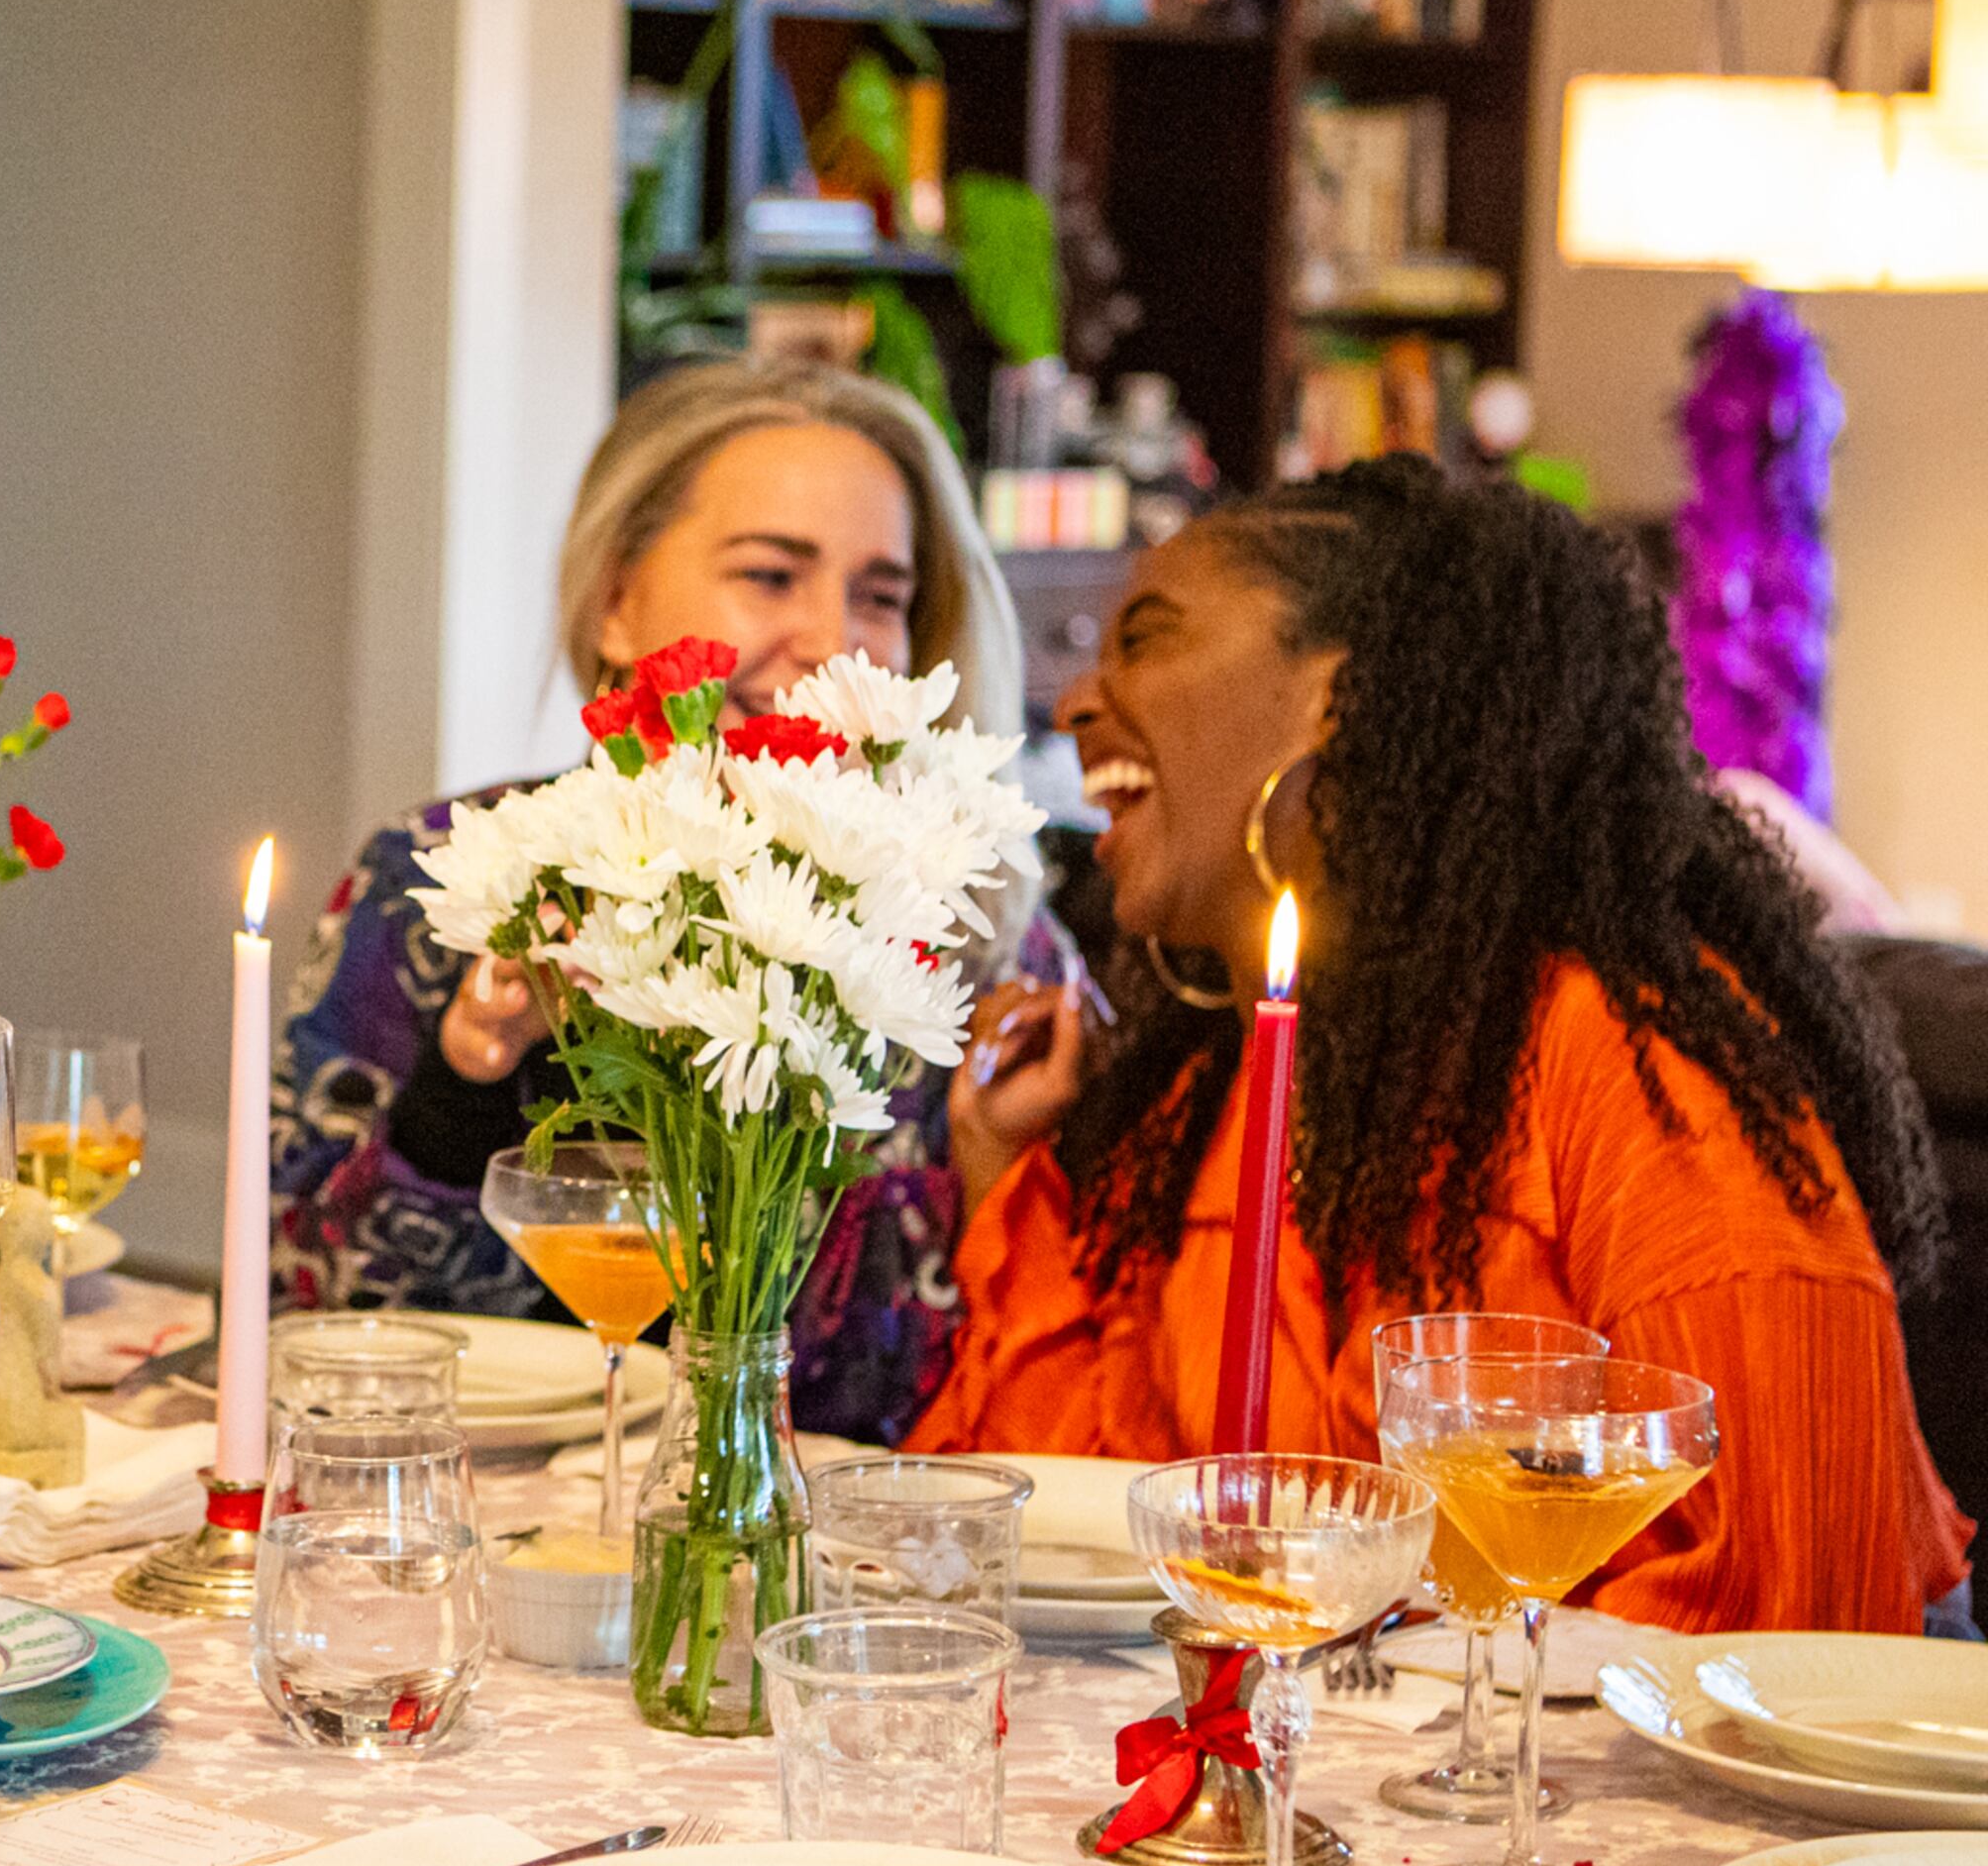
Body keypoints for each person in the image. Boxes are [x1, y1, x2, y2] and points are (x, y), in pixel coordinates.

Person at [915, 456, 1970, 1635]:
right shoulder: (1212, 1075)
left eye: (1147, 638)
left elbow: (1797, 1595)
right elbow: (1089, 1517)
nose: (1076, 703)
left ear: (1342, 691)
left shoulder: (1627, 1056)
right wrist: (1008, 1176)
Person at [272, 357, 1052, 1441]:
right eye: (773, 576)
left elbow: (1019, 1387)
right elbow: (314, 1314)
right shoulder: (443, 874)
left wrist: (993, 1170)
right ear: (617, 603)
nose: (834, 641)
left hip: (842, 1569)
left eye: (883, 595)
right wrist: (469, 1076)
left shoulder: (984, 930)